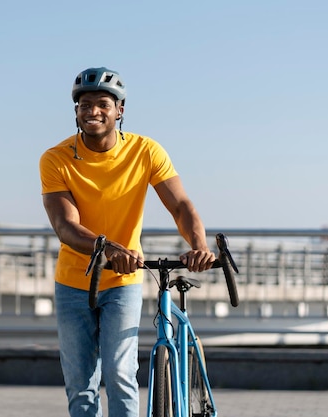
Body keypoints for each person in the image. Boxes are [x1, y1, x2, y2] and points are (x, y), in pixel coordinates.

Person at [39, 67, 217, 417]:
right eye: (84, 104)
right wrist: (110, 249)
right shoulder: (56, 159)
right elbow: (66, 226)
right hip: (74, 281)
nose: (93, 111)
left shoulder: (146, 151)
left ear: (119, 109)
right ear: (75, 112)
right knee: (81, 385)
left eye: (102, 103)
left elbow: (180, 205)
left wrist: (199, 245)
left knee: (120, 374)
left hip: (123, 280)